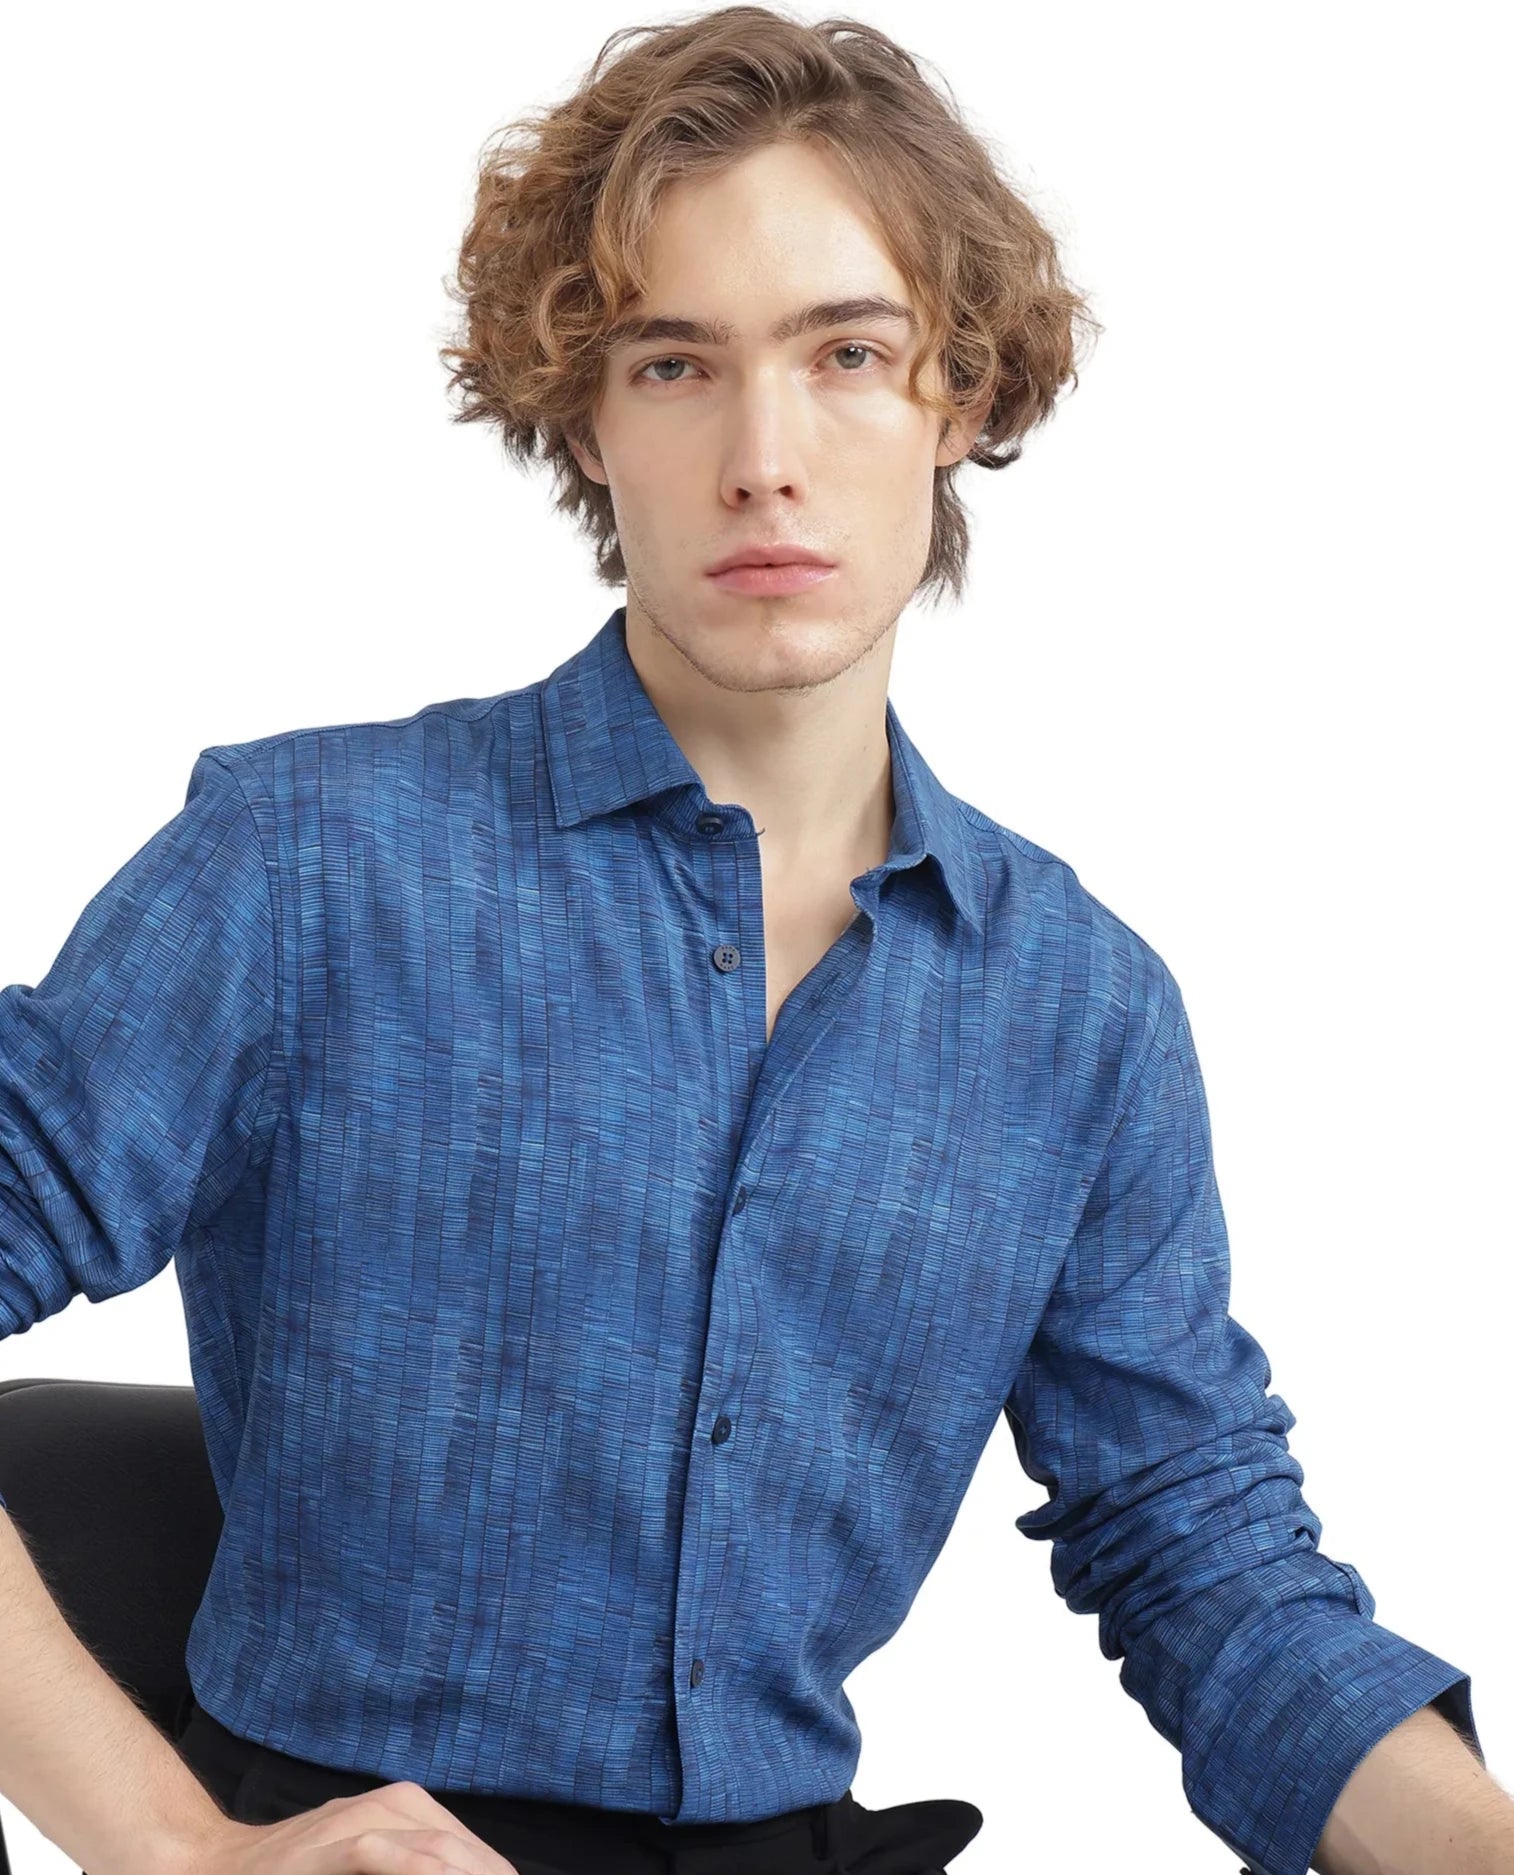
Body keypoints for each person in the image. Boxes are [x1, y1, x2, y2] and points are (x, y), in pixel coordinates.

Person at [1, 8, 1510, 1875]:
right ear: (584, 418)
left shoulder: (1078, 1011)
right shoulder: (309, 864)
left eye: (847, 355)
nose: (762, 458)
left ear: (961, 400)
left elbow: (1198, 1554)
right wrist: (177, 1850)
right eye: (674, 366)